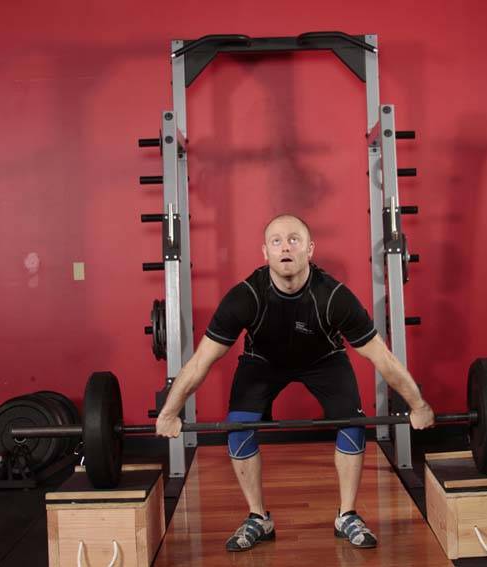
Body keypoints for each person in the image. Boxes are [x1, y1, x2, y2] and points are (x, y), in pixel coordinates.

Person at [155, 214, 435, 552]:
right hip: (263, 362)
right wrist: (170, 412)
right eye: (276, 241)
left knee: (353, 423)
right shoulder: (246, 296)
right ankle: (258, 518)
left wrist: (418, 405)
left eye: (294, 239)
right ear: (265, 253)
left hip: (324, 361)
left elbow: (382, 358)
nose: (285, 246)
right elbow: (202, 360)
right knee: (238, 427)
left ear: (310, 249)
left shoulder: (334, 297)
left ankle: (346, 514)